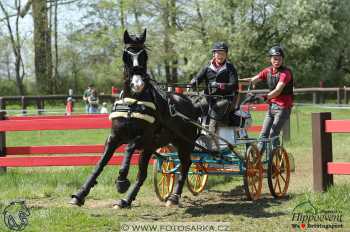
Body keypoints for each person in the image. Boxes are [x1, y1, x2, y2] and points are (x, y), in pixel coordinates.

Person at [241, 45, 293, 151]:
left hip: (283, 108)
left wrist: (265, 97)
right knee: (262, 135)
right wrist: (234, 81)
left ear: (282, 59)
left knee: (272, 135)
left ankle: (276, 162)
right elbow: (252, 80)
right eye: (274, 59)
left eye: (279, 59)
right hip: (272, 107)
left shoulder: (285, 73)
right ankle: (258, 163)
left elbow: (278, 90)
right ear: (270, 59)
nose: (277, 61)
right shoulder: (268, 71)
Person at [189, 42, 239, 149]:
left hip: (225, 99)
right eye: (218, 53)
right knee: (192, 108)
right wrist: (193, 82)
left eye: (222, 53)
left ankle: (212, 145)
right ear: (214, 54)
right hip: (209, 98)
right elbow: (198, 78)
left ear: (226, 55)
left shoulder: (230, 68)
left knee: (214, 115)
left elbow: (234, 85)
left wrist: (220, 85)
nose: (220, 55)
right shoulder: (207, 67)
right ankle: (193, 136)